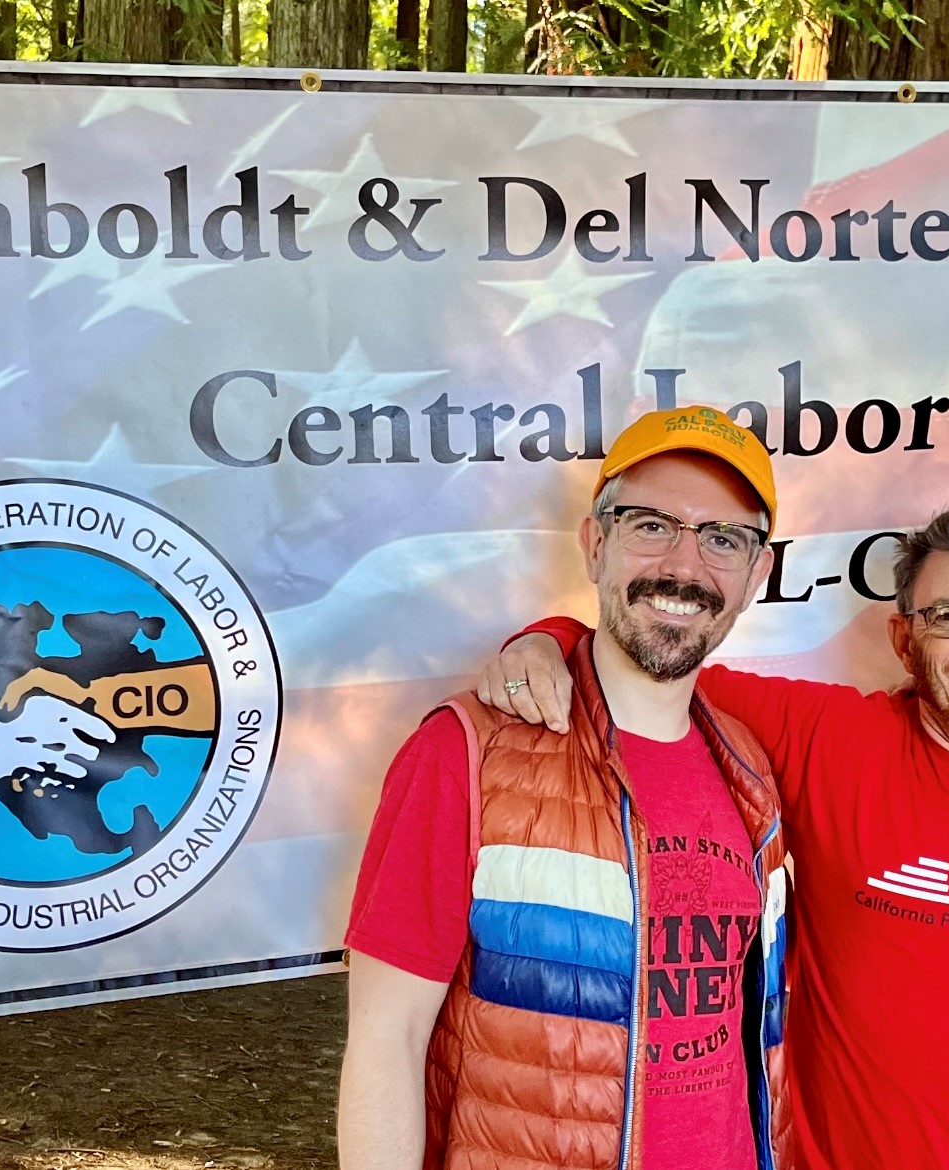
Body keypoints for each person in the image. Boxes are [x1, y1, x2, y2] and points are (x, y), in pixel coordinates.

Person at [481, 494, 949, 1169]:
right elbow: (646, 673)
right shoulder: (830, 739)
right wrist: (552, 639)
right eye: (948, 617)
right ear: (903, 640)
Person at [336, 405, 796, 1170]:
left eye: (722, 538)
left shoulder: (749, 764)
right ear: (595, 544)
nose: (685, 566)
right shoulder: (468, 751)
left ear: (757, 575)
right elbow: (388, 1040)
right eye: (652, 524)